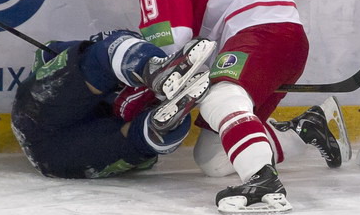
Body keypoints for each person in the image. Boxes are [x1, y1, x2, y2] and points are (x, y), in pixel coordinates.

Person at [110, 0, 351, 214]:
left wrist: (146, 89)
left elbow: (172, 48)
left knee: (219, 95)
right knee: (212, 158)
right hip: (282, 38)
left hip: (259, 32)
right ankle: (308, 128)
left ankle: (262, 181)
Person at [11, 29, 215, 179]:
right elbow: (45, 59)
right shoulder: (104, 46)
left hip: (59, 161)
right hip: (42, 125)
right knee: (142, 138)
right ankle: (152, 87)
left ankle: (155, 126)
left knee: (149, 135)